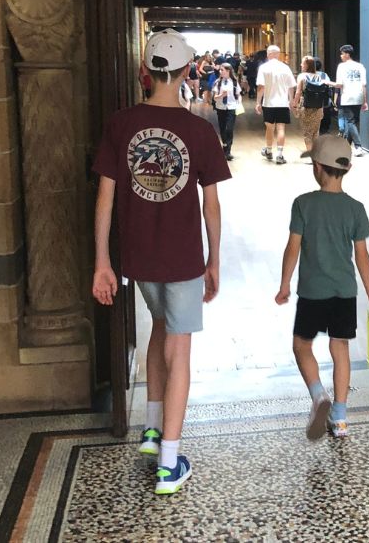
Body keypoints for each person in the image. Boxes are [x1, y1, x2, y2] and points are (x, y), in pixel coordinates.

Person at [91, 29, 231, 496]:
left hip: (137, 258)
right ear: (188, 71)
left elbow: (105, 199)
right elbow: (211, 205)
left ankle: (152, 428)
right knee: (181, 351)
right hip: (183, 257)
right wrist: (215, 257)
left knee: (157, 330)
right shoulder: (200, 130)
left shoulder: (120, 124)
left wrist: (102, 262)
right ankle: (170, 463)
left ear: (144, 73)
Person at [275, 134, 369, 439]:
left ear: (317, 167)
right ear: (347, 169)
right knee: (340, 349)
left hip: (312, 291)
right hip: (344, 292)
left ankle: (318, 395)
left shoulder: (303, 204)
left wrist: (284, 284)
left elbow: (292, 248)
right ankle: (339, 417)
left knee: (302, 345)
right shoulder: (355, 208)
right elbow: (362, 257)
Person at [255, 45, 296, 164]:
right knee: (281, 128)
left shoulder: (263, 68)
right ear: (278, 54)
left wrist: (258, 102)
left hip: (268, 103)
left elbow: (261, 87)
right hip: (282, 103)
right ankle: (280, 154)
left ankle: (269, 150)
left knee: (269, 127)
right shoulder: (285, 68)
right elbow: (291, 86)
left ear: (268, 54)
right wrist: (291, 100)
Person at [333, 44, 367, 157]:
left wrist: (328, 83)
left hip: (347, 97)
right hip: (359, 97)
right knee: (353, 122)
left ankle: (358, 146)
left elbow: (339, 84)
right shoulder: (360, 66)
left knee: (350, 122)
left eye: (342, 54)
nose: (341, 56)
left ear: (347, 54)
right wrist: (365, 101)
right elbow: (364, 85)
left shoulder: (341, 67)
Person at [293, 56, 330, 153]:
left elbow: (298, 93)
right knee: (315, 132)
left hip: (305, 107)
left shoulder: (302, 76)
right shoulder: (320, 77)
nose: (301, 65)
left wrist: (294, 105)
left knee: (307, 133)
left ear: (307, 65)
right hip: (319, 107)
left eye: (302, 63)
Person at [213, 62, 240, 160]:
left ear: (228, 71)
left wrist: (239, 102)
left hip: (231, 107)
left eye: (222, 70)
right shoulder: (218, 82)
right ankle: (225, 146)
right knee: (222, 129)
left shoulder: (234, 82)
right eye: (219, 70)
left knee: (229, 128)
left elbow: (238, 94)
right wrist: (221, 96)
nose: (220, 71)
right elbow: (215, 98)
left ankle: (228, 150)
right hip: (221, 108)